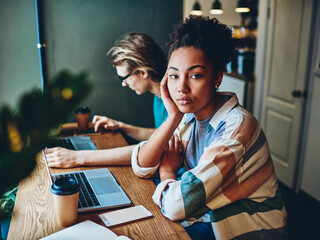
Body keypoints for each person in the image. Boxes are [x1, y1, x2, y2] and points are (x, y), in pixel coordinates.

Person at [131, 16, 288, 240]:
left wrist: (167, 172)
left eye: (195, 75)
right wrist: (173, 117)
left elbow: (177, 205)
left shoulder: (237, 130)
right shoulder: (189, 117)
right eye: (174, 76)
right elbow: (142, 165)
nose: (181, 87)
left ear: (217, 79)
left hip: (249, 233)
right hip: (211, 222)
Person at [45, 32, 169, 167]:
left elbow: (153, 149)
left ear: (143, 72)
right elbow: (160, 135)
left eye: (123, 78)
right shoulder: (159, 97)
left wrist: (77, 157)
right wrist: (121, 126)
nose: (123, 84)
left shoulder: (176, 101)